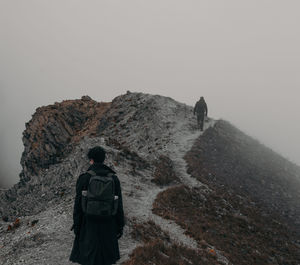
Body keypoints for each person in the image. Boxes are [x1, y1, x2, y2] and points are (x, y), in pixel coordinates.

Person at [70, 146, 125, 265]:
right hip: (108, 224)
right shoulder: (114, 179)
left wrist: (77, 226)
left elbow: (78, 205)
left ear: (91, 160)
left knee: (89, 258)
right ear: (104, 159)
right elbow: (119, 205)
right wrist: (120, 226)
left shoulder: (84, 178)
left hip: (88, 224)